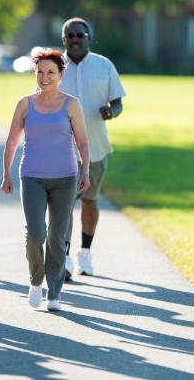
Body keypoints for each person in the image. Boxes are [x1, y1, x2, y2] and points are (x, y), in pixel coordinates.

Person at [1, 50, 90, 311]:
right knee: (36, 233)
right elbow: (11, 141)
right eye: (40, 71)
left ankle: (54, 292)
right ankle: (35, 280)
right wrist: (6, 173)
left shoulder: (71, 104)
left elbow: (83, 142)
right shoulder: (25, 104)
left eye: (51, 72)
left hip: (66, 178)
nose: (44, 77)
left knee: (57, 236)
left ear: (61, 75)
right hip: (32, 177)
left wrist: (85, 172)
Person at [59, 17, 126, 276]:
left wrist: (112, 112)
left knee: (89, 201)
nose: (75, 39)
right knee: (64, 204)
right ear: (64, 39)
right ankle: (63, 257)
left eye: (80, 35)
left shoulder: (103, 65)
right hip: (63, 149)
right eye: (70, 35)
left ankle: (84, 253)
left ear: (89, 38)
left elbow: (118, 102)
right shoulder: (55, 66)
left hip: (96, 148)